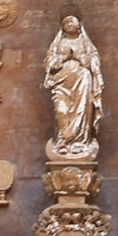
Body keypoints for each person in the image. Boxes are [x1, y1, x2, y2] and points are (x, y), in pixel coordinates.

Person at [43, 13, 103, 159]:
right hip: (61, 82)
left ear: (79, 25)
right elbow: (48, 63)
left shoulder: (85, 43)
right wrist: (63, 58)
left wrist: (80, 57)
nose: (69, 24)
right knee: (61, 110)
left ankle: (79, 143)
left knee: (81, 110)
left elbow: (94, 61)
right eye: (66, 22)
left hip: (82, 81)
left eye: (72, 21)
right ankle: (62, 142)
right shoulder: (59, 43)